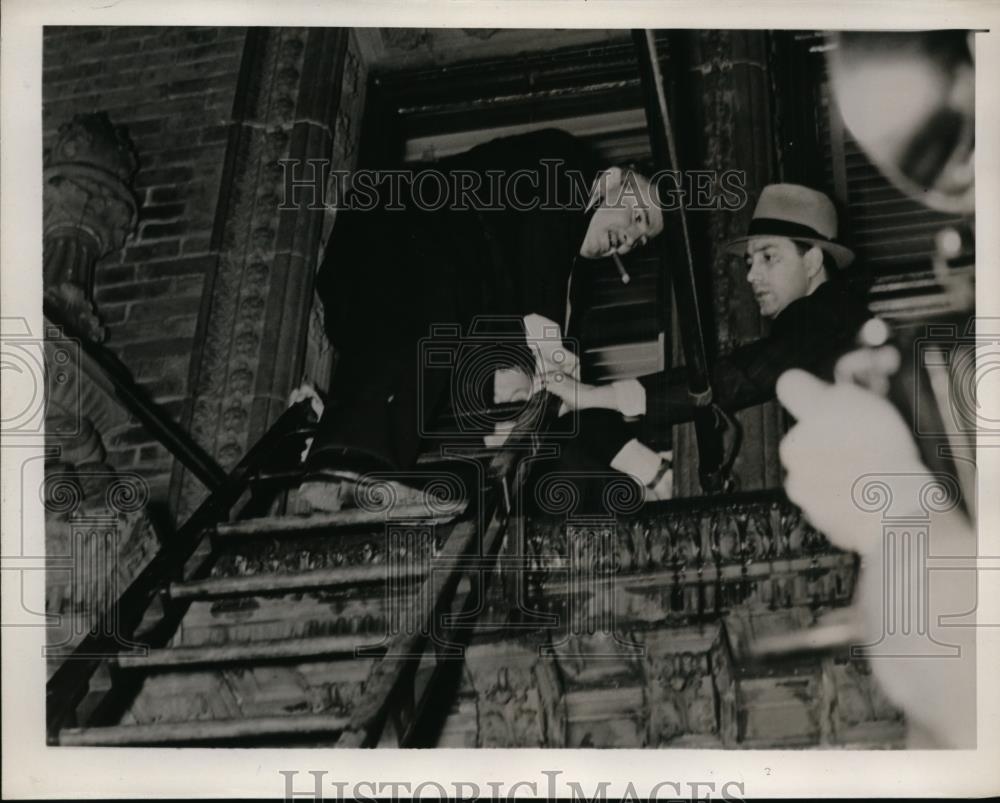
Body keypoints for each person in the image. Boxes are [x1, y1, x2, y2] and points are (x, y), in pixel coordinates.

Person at [300, 128, 664, 511]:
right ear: (609, 180)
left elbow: (567, 394)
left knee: (457, 366)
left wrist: (645, 466)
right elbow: (545, 233)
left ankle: (353, 464)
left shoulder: (571, 292)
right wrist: (544, 358)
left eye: (640, 240)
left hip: (395, 319)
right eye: (636, 216)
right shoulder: (563, 161)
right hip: (392, 232)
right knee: (441, 295)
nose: (628, 238)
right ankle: (346, 460)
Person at [544, 183, 871, 498]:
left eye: (768, 257)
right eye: (748, 261)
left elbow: (742, 376)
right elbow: (718, 377)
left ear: (813, 261)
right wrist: (600, 401)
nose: (751, 275)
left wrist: (597, 397)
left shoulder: (832, 311)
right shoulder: (820, 320)